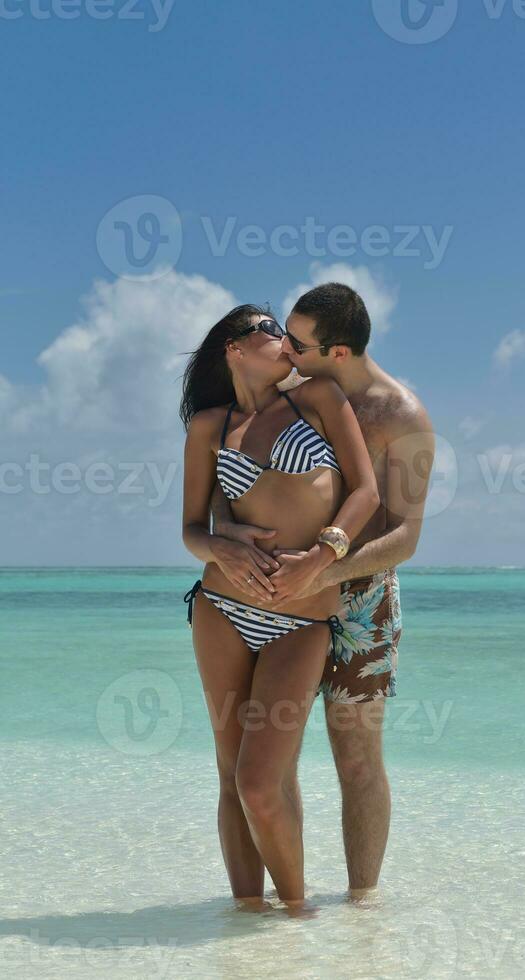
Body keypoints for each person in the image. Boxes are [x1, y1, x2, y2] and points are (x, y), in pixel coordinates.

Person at [210, 283, 435, 897]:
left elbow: (406, 538)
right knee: (266, 764)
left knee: (356, 756)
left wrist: (324, 566)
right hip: (281, 595)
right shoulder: (290, 390)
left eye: (300, 342)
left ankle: (361, 915)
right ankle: (288, 916)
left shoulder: (402, 417)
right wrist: (225, 533)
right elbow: (228, 474)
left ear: (337, 353)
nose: (286, 346)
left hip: (360, 604)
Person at [180, 304, 380, 911]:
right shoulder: (211, 426)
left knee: (260, 782)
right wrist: (218, 544)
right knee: (227, 773)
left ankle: (296, 914)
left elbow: (366, 492)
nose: (283, 339)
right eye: (269, 329)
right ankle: (247, 925)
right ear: (234, 350)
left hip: (302, 618)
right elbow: (191, 531)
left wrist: (322, 556)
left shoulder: (316, 398)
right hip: (221, 606)